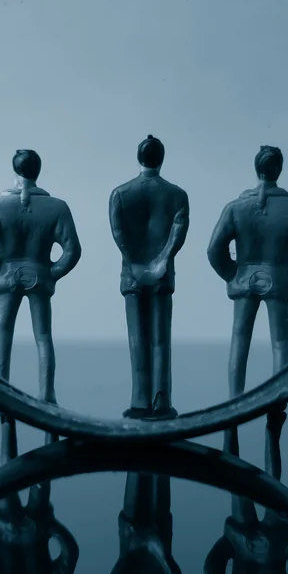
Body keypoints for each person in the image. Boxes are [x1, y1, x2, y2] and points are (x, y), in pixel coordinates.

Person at [0, 150, 81, 455]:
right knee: (43, 337)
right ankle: (47, 396)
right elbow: (72, 250)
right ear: (38, 170)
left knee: (2, 335)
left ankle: (0, 394)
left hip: (6, 275)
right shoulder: (57, 207)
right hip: (38, 275)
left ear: (14, 169)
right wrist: (50, 273)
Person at [206, 146, 288, 399]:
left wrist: (232, 275)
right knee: (280, 344)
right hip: (278, 280)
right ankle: (278, 400)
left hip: (244, 278)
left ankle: (234, 399)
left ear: (256, 169)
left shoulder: (235, 208)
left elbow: (214, 249)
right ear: (278, 170)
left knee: (239, 342)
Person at [109, 135, 190, 418]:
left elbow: (119, 233)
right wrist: (162, 261)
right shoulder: (177, 195)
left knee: (136, 339)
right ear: (161, 158)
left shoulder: (121, 193)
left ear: (139, 158)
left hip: (131, 275)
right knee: (160, 339)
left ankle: (139, 400)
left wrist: (133, 264)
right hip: (162, 275)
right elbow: (178, 233)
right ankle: (161, 399)